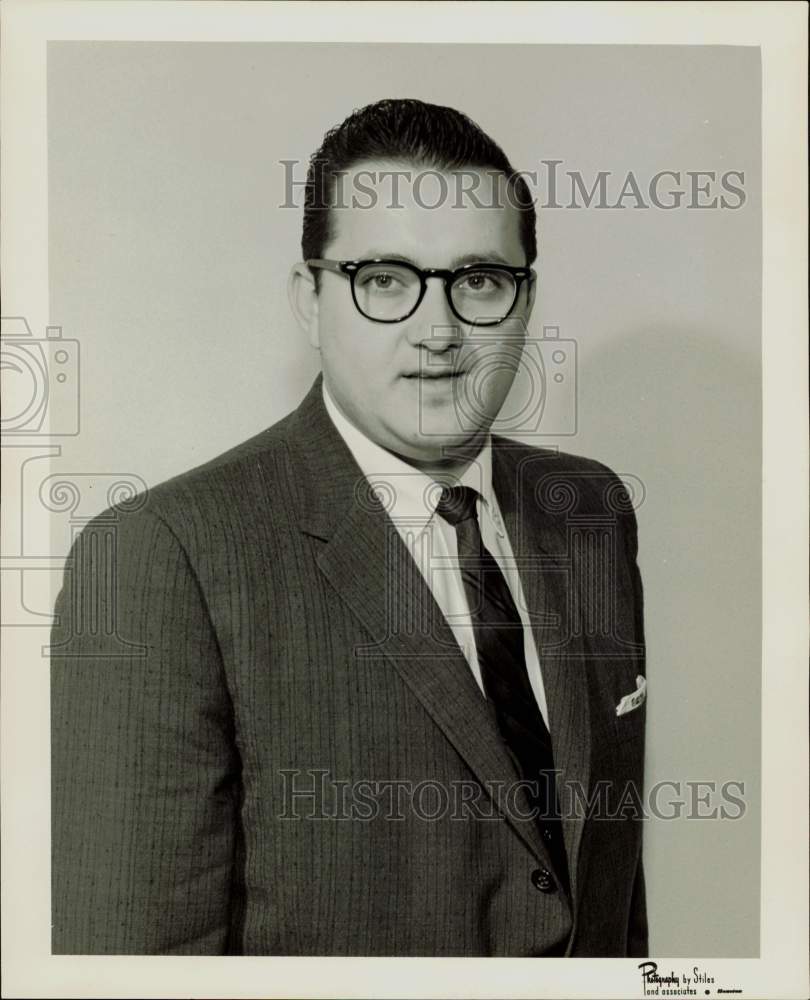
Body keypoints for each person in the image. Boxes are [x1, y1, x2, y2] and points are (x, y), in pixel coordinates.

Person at [50, 98, 648, 956]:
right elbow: (135, 962)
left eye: (478, 279)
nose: (439, 331)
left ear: (526, 298)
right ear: (310, 298)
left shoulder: (590, 510)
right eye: (386, 282)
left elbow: (611, 907)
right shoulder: (163, 555)